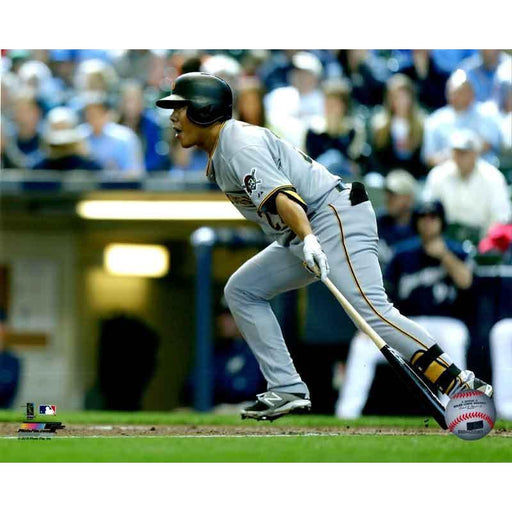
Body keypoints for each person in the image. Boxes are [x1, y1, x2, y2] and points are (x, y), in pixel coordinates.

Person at [156, 72, 493, 421]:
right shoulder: (224, 148)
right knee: (242, 290)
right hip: (304, 231)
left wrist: (310, 239)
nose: (173, 117)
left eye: (179, 108)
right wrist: (305, 238)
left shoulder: (239, 145)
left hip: (330, 216)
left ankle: (460, 383)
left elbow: (287, 200)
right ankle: (286, 387)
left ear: (203, 109)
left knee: (371, 311)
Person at [336, 200, 472, 418]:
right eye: (423, 218)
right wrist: (370, 326)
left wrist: (444, 255)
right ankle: (346, 414)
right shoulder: (402, 253)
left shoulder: (456, 250)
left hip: (446, 322)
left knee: (453, 340)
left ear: (441, 221)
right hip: (409, 322)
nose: (428, 223)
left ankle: (454, 412)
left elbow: (465, 282)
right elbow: (386, 294)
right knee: (363, 344)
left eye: (433, 217)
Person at [424, 129, 511, 241]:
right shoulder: (438, 175)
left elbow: (500, 217)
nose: (460, 157)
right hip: (446, 237)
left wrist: (487, 243)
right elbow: (429, 210)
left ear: (475, 153)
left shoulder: (493, 177)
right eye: (457, 152)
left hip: (482, 238)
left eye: (465, 152)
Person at [422, 69, 502, 168]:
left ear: (472, 93)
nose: (458, 97)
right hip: (448, 172)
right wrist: (455, 157)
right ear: (447, 94)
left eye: (463, 92)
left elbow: (490, 144)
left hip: (481, 171)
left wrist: (465, 155)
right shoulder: (435, 120)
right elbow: (429, 157)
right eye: (454, 93)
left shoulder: (486, 114)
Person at [305, 78, 366, 179]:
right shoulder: (313, 130)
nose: (330, 107)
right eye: (327, 103)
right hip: (317, 177)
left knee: (335, 157)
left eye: (334, 104)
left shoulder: (353, 130)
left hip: (343, 178)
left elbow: (354, 162)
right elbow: (308, 160)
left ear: (344, 106)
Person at [370, 74, 427, 179]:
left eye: (404, 96)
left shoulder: (421, 125)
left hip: (413, 176)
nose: (401, 101)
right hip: (387, 174)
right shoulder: (380, 125)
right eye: (396, 97)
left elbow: (422, 160)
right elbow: (376, 158)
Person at [79, 92, 145, 174]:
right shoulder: (78, 136)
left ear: (107, 114)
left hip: (119, 186)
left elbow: (134, 173)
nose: (92, 117)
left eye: (97, 113)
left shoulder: (125, 137)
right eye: (89, 113)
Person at [31, 106, 102, 171]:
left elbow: (97, 170)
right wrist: (47, 152)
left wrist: (84, 153)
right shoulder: (44, 159)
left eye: (64, 128)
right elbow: (33, 171)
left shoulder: (80, 159)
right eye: (57, 128)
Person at [376, 169, 418, 267]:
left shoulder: (422, 224)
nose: (388, 199)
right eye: (387, 194)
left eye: (394, 195)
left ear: (409, 198)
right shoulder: (377, 222)